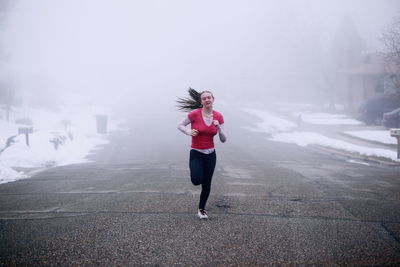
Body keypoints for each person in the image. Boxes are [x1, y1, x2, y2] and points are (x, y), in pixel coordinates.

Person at [177, 88, 227, 219]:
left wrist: (219, 128)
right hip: (196, 153)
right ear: (201, 101)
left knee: (207, 183)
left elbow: (224, 139)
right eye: (204, 98)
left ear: (213, 99)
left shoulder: (218, 116)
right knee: (196, 180)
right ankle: (198, 177)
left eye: (209, 97)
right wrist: (189, 132)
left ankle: (201, 209)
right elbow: (180, 125)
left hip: (211, 154)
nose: (207, 100)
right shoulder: (195, 114)